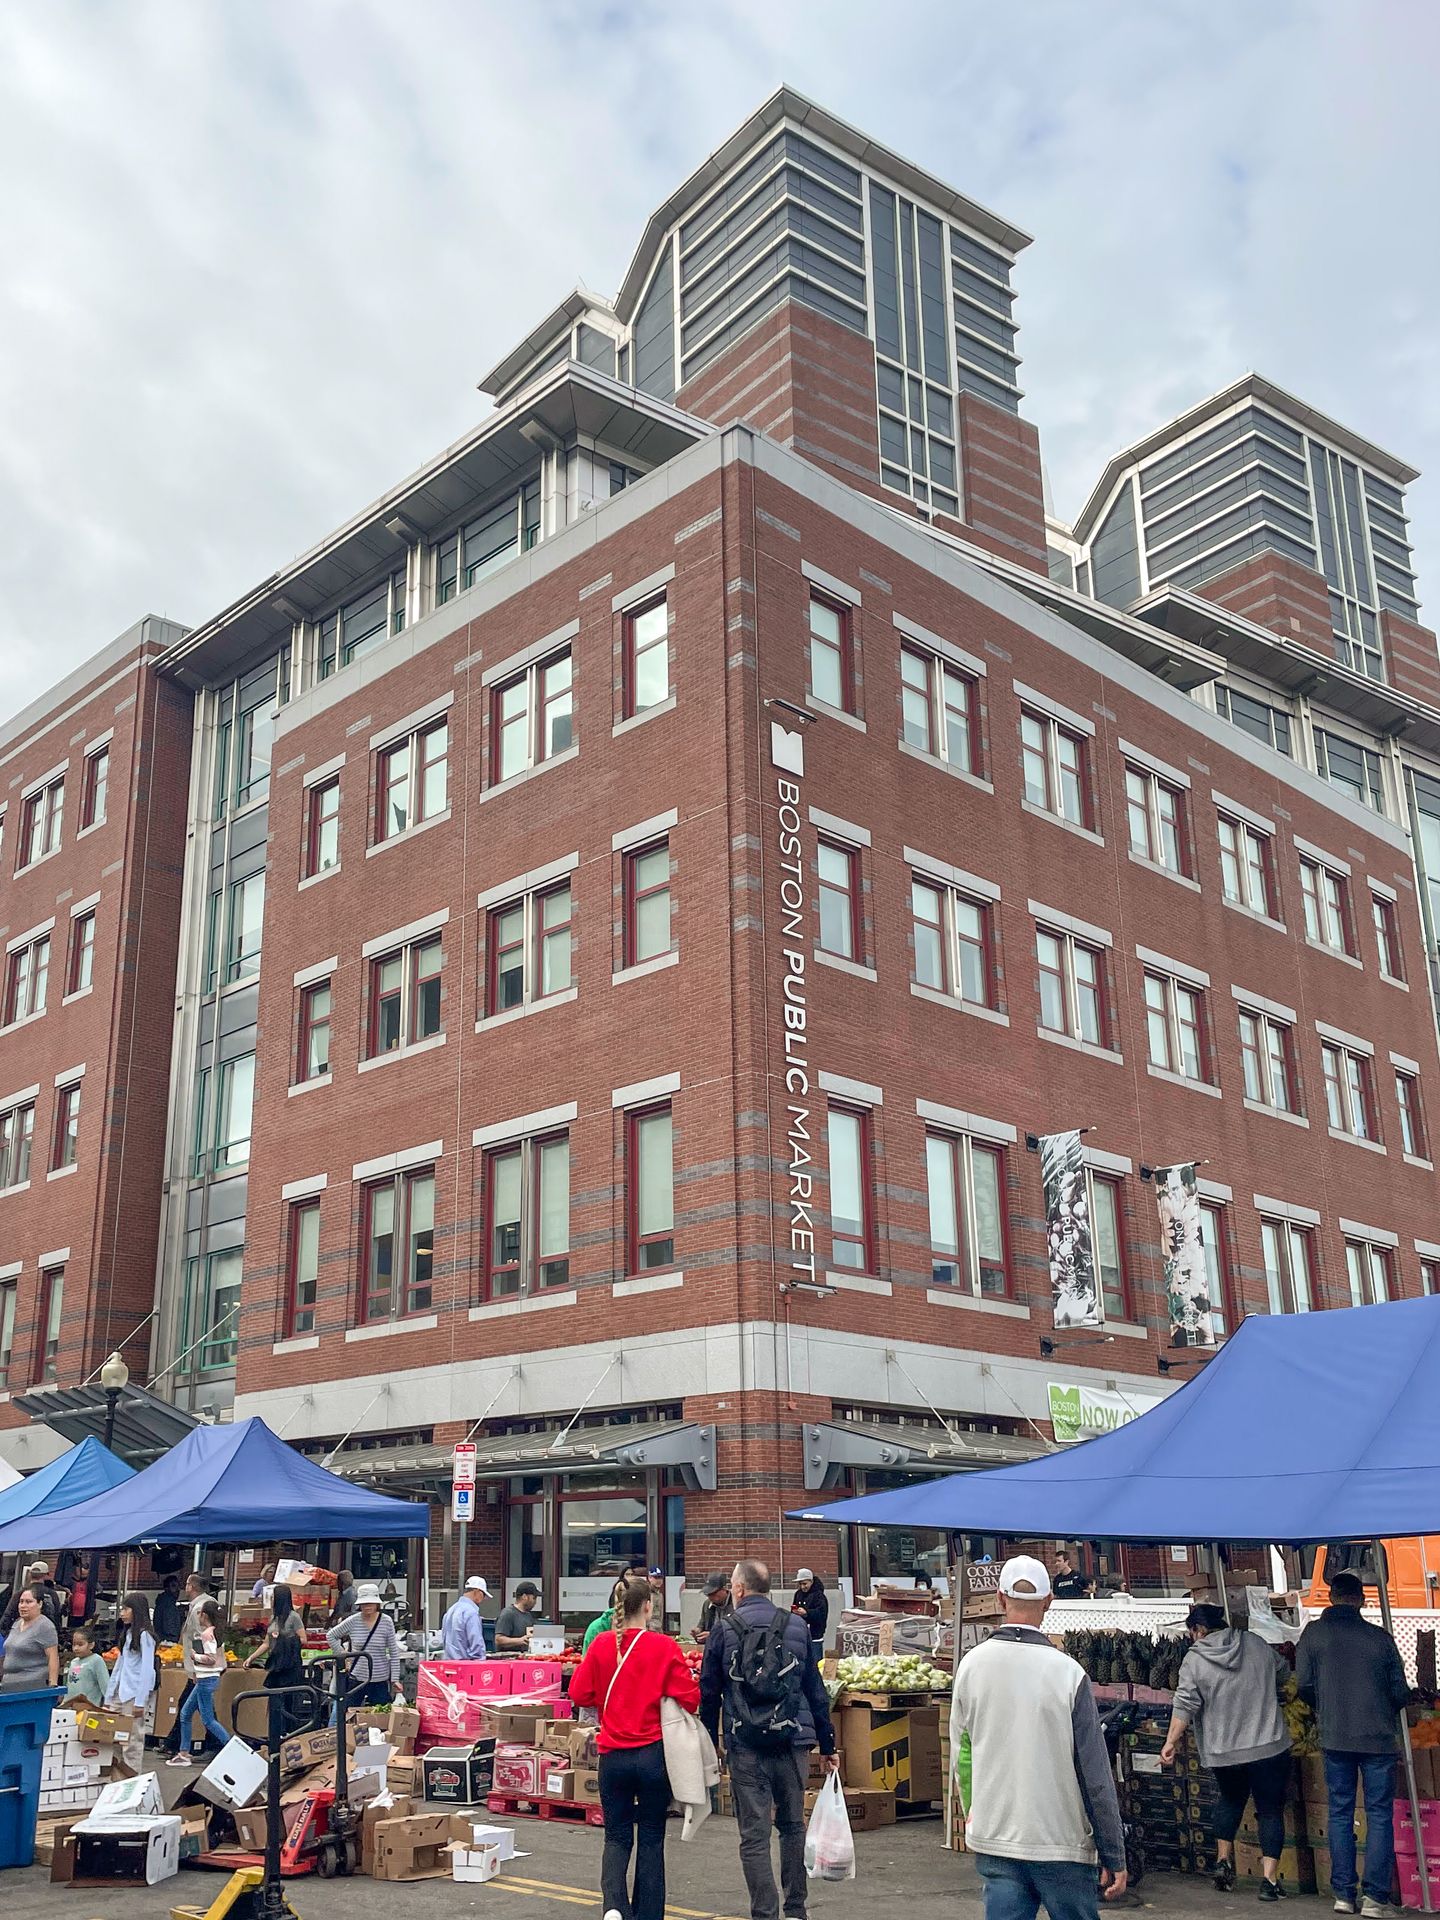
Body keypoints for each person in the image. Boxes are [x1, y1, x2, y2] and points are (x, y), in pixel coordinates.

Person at [951, 1555, 1126, 1920]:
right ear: (1049, 1602)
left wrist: (974, 1815)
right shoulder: (1068, 1674)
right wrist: (1113, 1852)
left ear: (1000, 1599)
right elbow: (1094, 1773)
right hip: (1061, 1842)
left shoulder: (971, 1666)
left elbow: (962, 1754)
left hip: (996, 1837)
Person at [701, 1559, 838, 1920]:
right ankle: (796, 1910)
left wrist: (708, 1741)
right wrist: (827, 1744)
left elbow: (709, 1692)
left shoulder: (724, 1628)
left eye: (732, 1586)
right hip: (792, 1739)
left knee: (754, 1834)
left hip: (744, 1742)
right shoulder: (796, 1625)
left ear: (740, 1589)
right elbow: (815, 1688)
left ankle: (765, 1913)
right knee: (792, 1825)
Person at [570, 1570, 700, 1920]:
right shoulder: (663, 1646)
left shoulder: (599, 1645)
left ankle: (614, 1905)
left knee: (616, 1836)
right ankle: (648, 1914)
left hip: (612, 1756)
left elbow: (578, 1693)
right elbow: (690, 1698)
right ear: (647, 1606)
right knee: (653, 1837)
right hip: (653, 1756)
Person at [1296, 1569, 1410, 1917]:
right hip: (1378, 1739)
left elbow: (1303, 1685)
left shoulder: (1313, 1635)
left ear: (1331, 1598)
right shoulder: (1380, 1638)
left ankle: (1344, 1894)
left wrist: (1327, 1709)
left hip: (1335, 1737)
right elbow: (1399, 1692)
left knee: (1341, 1813)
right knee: (1378, 1814)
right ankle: (1375, 1898)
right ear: (1360, 1600)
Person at [1161, 1603, 1292, 1899]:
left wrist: (1170, 1742)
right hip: (1269, 1745)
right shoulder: (1255, 1644)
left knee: (1230, 1800)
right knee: (1270, 1811)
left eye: (1191, 1633)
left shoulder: (1194, 1661)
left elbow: (1185, 1704)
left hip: (1224, 1751)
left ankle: (1222, 1863)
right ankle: (1269, 1882)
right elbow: (1283, 1672)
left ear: (1199, 1630)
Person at [168, 1598, 229, 1765]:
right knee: (186, 1713)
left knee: (207, 1719)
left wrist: (195, 1657)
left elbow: (210, 1658)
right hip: (205, 1678)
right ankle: (184, 1752)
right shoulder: (215, 1632)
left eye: (199, 1613)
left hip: (206, 1679)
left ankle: (230, 1747)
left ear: (204, 1615)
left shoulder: (207, 1635)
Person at [246, 1583, 309, 1736]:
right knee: (275, 1700)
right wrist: (251, 1657)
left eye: (274, 1597)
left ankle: (288, 1732)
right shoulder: (274, 1618)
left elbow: (303, 1639)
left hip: (289, 1665)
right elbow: (267, 1643)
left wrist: (283, 1639)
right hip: (276, 1664)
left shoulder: (294, 1617)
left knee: (288, 1701)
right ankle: (276, 1732)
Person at [104, 1593, 157, 1773]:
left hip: (134, 1694)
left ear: (137, 1611)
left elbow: (147, 1670)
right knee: (112, 1734)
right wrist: (109, 1695)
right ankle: (117, 1773)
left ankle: (132, 1778)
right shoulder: (127, 1634)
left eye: (126, 1609)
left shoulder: (145, 1636)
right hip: (121, 1691)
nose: (122, 1613)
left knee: (132, 1740)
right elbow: (120, 1665)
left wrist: (140, 1701)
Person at [326, 1582, 401, 1708]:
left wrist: (395, 1679)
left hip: (380, 1678)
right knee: (347, 1713)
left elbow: (394, 1652)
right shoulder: (353, 1620)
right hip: (357, 1676)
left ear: (377, 1603)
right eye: (364, 1604)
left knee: (381, 1715)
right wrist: (343, 1654)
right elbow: (331, 1635)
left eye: (370, 1603)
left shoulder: (386, 1621)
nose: (367, 1607)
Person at [160, 1573, 211, 1759]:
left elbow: (200, 1638)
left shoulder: (200, 1607)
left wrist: (199, 1666)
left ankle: (176, 1744)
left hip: (200, 1668)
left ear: (193, 1586)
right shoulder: (200, 1604)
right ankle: (175, 1744)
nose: (185, 1586)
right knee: (200, 1706)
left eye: (187, 1583)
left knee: (189, 1705)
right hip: (199, 1667)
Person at [0, 1585, 61, 1692]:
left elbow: (53, 1657)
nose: (23, 1606)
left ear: (40, 1604)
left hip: (31, 1686)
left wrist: (53, 1686)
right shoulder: (17, 1623)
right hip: (8, 1685)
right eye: (21, 1602)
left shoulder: (45, 1626)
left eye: (28, 1602)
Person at [441, 1575, 490, 1660]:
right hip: (466, 1666)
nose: (483, 1599)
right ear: (477, 1592)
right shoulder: (471, 1613)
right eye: (483, 1595)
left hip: (449, 1664)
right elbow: (476, 1645)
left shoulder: (451, 1610)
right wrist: (480, 1661)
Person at [64, 1625, 112, 1706]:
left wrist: (108, 1704)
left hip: (89, 1707)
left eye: (80, 1644)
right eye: (74, 1644)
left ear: (91, 1645)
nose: (76, 1648)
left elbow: (105, 1685)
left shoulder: (96, 1660)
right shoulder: (73, 1662)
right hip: (71, 1707)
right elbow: (69, 1686)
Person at [790, 1569, 828, 1662]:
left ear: (811, 1581)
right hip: (800, 1637)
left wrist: (807, 1613)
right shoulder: (798, 1594)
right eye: (800, 1584)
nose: (802, 1587)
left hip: (815, 1637)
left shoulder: (819, 1596)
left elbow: (821, 1615)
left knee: (815, 1664)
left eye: (805, 1584)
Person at [494, 1582, 542, 1653]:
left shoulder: (528, 1615)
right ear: (524, 1597)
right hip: (508, 1659)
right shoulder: (508, 1614)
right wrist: (520, 1640)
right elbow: (498, 1639)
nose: (535, 1602)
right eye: (534, 1598)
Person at [694, 1572, 732, 1645]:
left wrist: (713, 1635)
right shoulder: (707, 1604)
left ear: (724, 1589)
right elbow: (702, 1625)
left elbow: (736, 1632)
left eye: (713, 1593)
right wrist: (698, 1632)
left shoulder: (736, 1604)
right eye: (707, 1594)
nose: (710, 1597)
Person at [153, 1574, 185, 1644]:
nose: (177, 1589)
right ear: (166, 1588)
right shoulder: (168, 1605)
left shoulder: (163, 1602)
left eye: (178, 1586)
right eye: (173, 1586)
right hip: (168, 1642)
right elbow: (170, 1630)